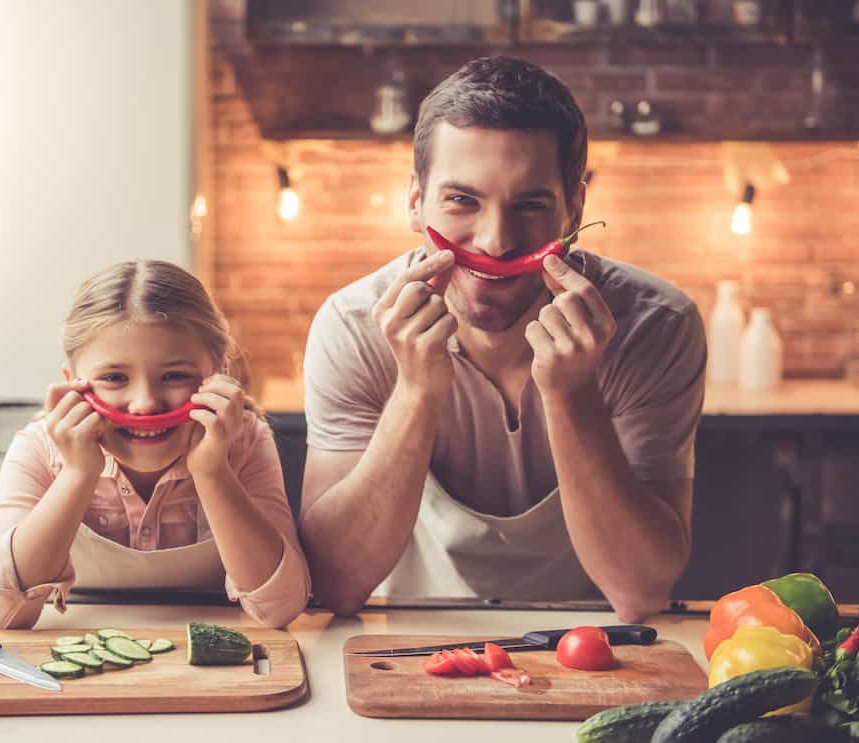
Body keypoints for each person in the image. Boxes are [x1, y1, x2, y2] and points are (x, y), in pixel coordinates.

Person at [299, 56, 706, 622]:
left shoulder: (654, 326)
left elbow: (640, 590)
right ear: (415, 201)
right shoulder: (352, 326)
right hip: (409, 642)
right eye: (462, 200)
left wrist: (572, 395)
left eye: (530, 205)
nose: (495, 241)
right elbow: (334, 585)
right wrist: (416, 390)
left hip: (599, 646)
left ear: (575, 209)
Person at [0, 260, 310, 629]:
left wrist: (212, 472)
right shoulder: (39, 448)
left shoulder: (245, 442)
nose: (145, 403)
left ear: (217, 375)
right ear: (74, 382)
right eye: (114, 377)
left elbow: (280, 609)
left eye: (174, 376)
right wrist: (78, 474)